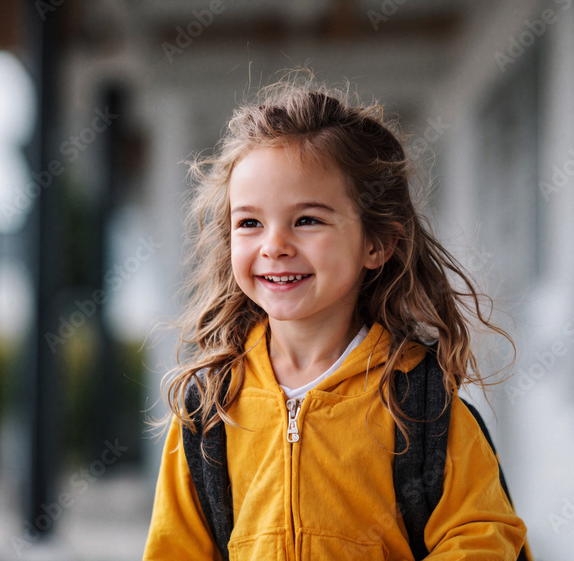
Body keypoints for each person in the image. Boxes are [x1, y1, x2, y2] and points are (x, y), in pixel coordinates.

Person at [143, 75, 528, 560]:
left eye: (307, 220)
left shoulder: (422, 403)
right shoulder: (209, 409)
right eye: (250, 223)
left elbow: (482, 539)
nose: (275, 245)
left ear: (377, 243)